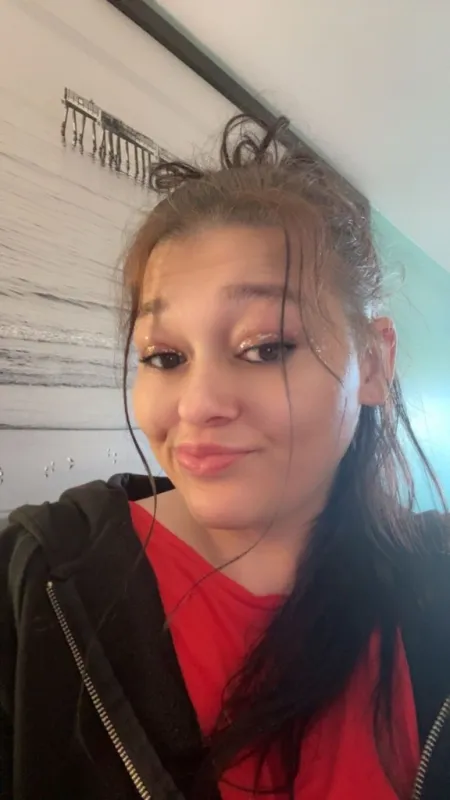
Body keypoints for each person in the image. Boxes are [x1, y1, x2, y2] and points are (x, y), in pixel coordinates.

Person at [0, 115, 449, 800]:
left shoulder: (435, 584)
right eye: (165, 357)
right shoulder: (35, 584)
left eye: (265, 347)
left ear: (374, 362)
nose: (199, 404)